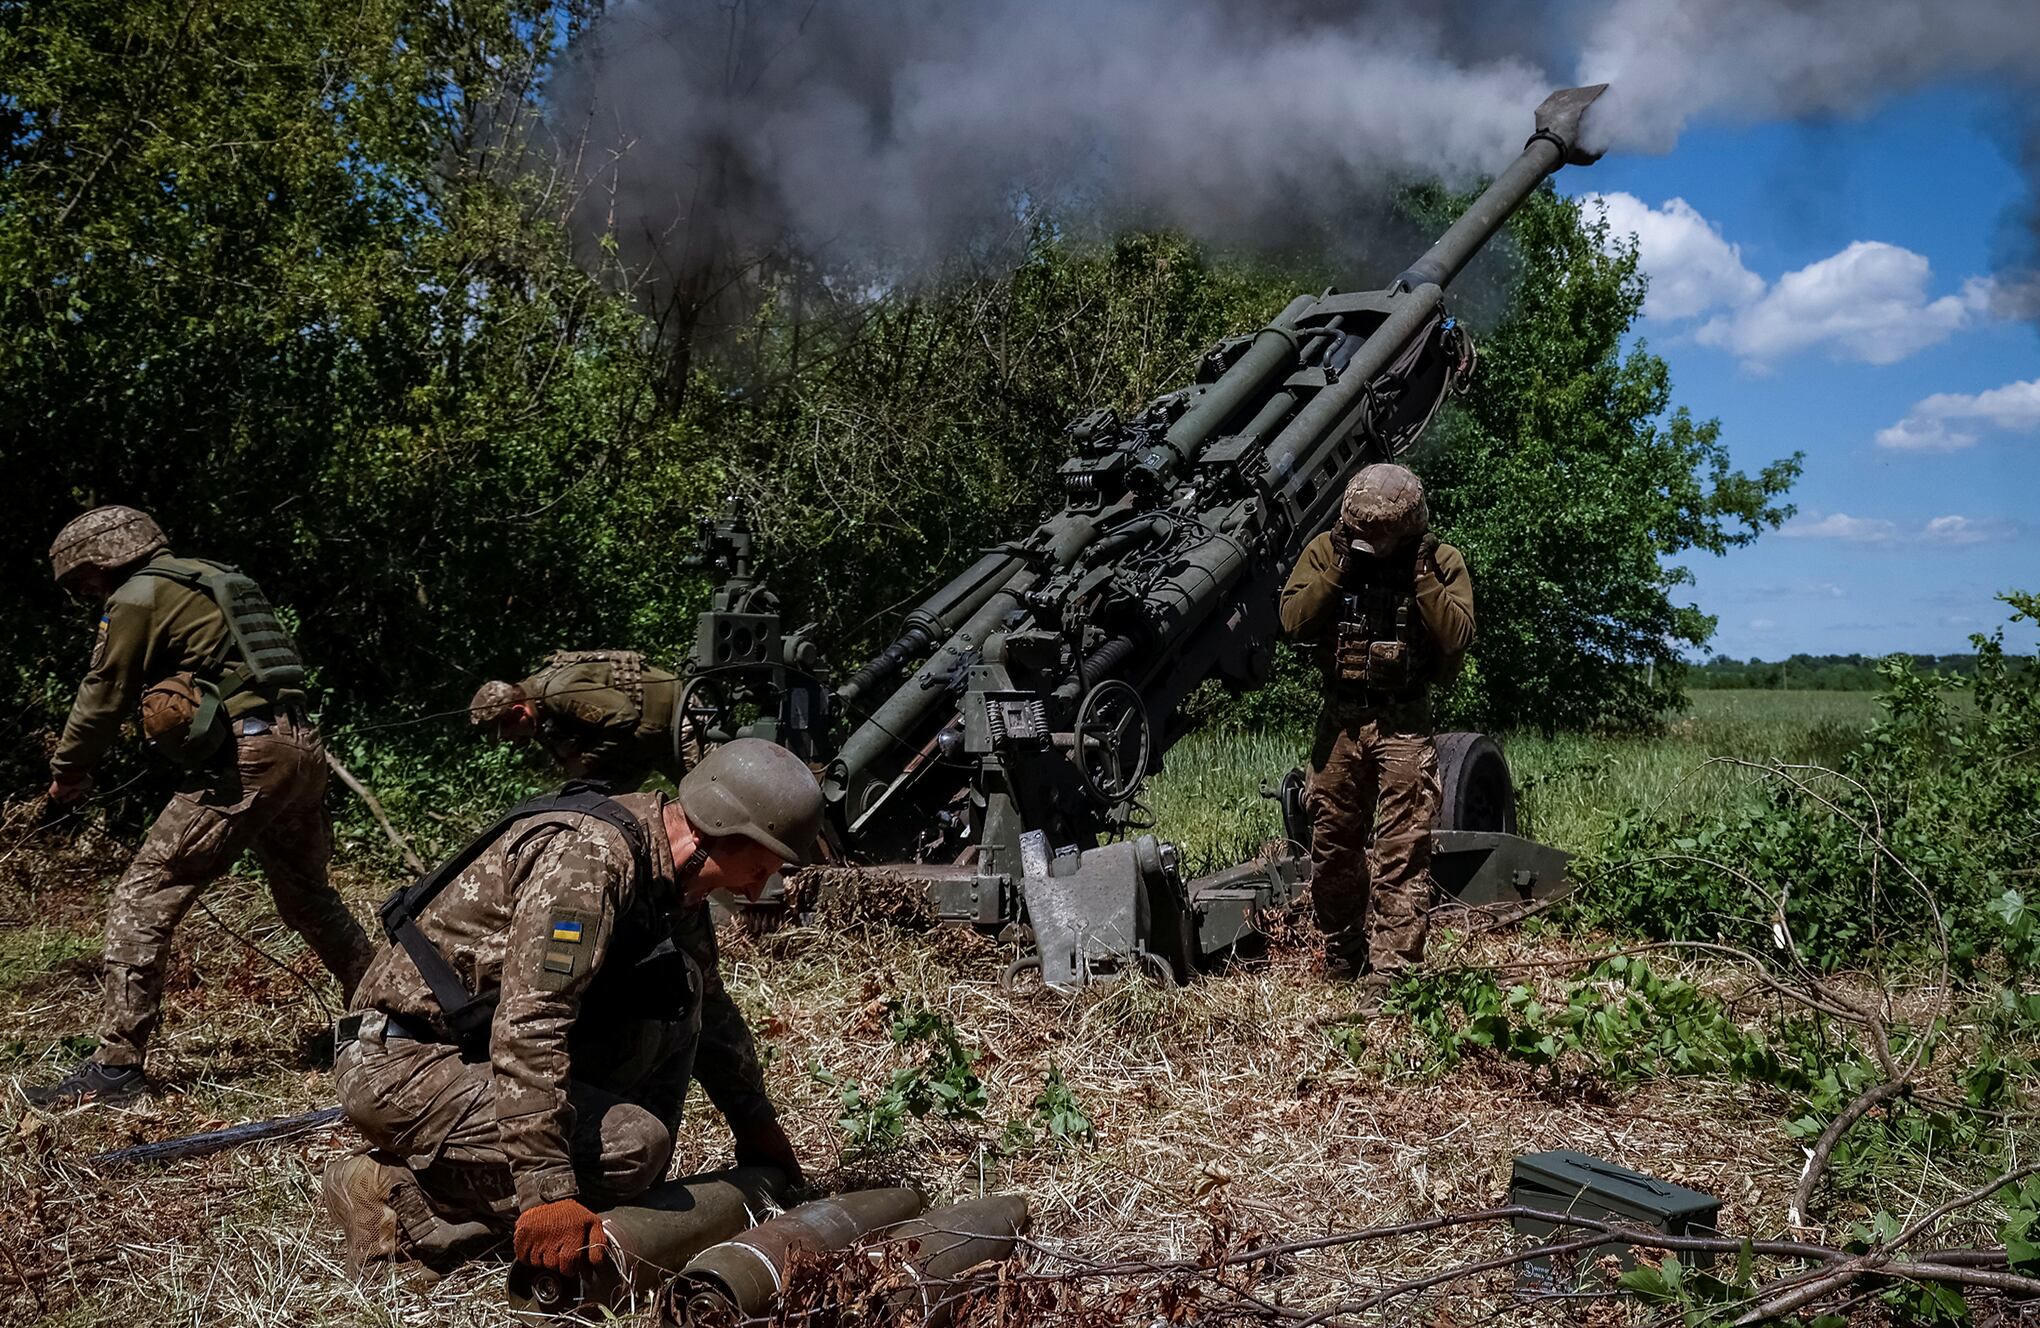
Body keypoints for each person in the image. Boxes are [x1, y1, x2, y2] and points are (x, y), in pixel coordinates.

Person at [322, 738, 822, 1282]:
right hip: (399, 1058)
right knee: (633, 1149)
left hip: (473, 1047)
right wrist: (548, 1191)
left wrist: (754, 1123)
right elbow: (532, 1023)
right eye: (759, 867)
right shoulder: (587, 862)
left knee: (679, 990)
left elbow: (714, 1013)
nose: (757, 888)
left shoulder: (669, 878)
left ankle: (590, 1187)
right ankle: (397, 1197)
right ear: (715, 831)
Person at [27, 507, 374, 1106]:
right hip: (301, 747)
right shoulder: (217, 578)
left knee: (143, 896)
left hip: (249, 756)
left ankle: (116, 1069)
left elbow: (103, 692)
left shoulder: (138, 595)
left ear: (103, 557)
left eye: (82, 580)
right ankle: (388, 1017)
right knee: (308, 897)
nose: (86, 593)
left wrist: (68, 773)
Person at [1277, 465, 1475, 1005]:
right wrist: (1341, 567)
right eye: (1363, 529)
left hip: (1404, 720)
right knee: (1331, 843)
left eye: (1383, 532)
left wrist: (1421, 577)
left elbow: (1457, 636)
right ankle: (1344, 953)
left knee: (1402, 848)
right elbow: (1293, 621)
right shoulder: (1327, 551)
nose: (1373, 541)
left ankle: (1392, 973)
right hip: (1340, 720)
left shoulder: (1440, 561)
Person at [469, 650, 683, 790]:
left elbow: (623, 716)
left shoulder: (558, 693)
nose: (509, 740)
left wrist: (587, 760)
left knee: (702, 802)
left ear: (519, 712)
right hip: (642, 744)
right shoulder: (538, 717)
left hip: (678, 716)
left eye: (507, 732)